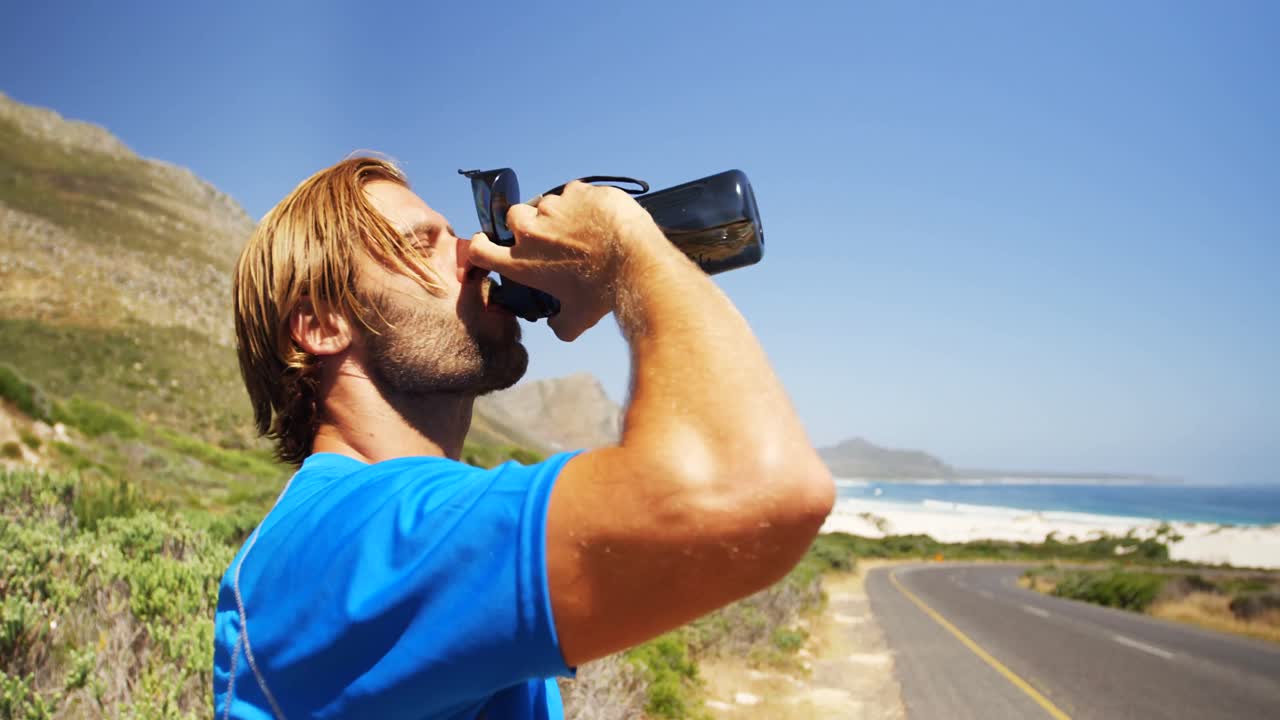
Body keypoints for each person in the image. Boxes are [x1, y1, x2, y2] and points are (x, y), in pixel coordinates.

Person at [214, 156, 834, 719]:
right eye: (420, 245)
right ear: (321, 324)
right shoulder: (356, 536)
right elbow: (753, 484)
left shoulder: (388, 523)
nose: (474, 253)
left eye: (455, 235)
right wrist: (624, 247)